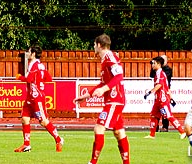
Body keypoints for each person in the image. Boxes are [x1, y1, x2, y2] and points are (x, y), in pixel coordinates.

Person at [74, 33, 130, 164]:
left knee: (99, 128)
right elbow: (103, 83)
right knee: (119, 132)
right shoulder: (104, 59)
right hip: (114, 100)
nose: (93, 47)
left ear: (99, 45)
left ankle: (92, 162)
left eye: (94, 44)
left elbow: (119, 77)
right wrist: (86, 96)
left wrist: (104, 89)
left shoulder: (110, 57)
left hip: (115, 100)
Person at [14, 44, 64, 153]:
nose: (27, 53)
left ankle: (59, 139)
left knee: (43, 121)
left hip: (37, 98)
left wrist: (19, 77)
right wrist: (39, 82)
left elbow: (29, 79)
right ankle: (26, 145)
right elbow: (48, 78)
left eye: (29, 51)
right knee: (24, 118)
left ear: (33, 54)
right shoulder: (40, 65)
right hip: (30, 97)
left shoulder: (34, 65)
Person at [144, 56, 185, 139]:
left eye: (154, 63)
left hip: (163, 99)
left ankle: (182, 132)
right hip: (158, 100)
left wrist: (149, 92)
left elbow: (159, 85)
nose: (152, 65)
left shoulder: (161, 73)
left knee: (168, 116)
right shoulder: (157, 73)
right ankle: (152, 135)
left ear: (159, 64)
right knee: (153, 115)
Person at [160, 54, 173, 131]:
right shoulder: (157, 69)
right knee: (157, 109)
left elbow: (164, 78)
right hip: (159, 91)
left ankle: (165, 126)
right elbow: (151, 75)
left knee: (165, 109)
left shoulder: (168, 69)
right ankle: (155, 126)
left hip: (165, 90)